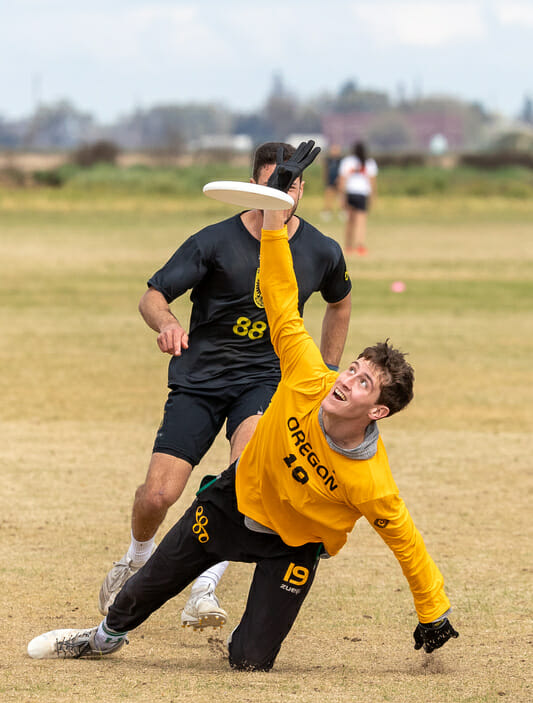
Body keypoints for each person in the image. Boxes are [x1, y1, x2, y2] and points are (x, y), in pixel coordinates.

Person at [28, 142, 458, 669]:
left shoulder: (370, 476)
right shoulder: (295, 359)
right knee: (150, 546)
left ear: (378, 412)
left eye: (364, 382)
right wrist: (271, 230)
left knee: (250, 662)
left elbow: (407, 543)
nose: (347, 379)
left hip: (290, 531)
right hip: (220, 448)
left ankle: (212, 596)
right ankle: (105, 630)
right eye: (353, 369)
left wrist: (433, 611)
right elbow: (277, 294)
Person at [97, 141, 352, 631]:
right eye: (277, 181)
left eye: (294, 184)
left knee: (244, 483)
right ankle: (135, 559)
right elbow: (152, 296)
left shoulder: (322, 250)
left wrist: (327, 368)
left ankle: (204, 590)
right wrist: (167, 324)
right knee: (158, 495)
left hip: (265, 380)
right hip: (200, 380)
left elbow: (339, 302)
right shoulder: (214, 241)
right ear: (254, 184)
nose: (287, 192)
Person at [338, 141, 378, 255]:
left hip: (350, 193)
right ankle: (360, 245)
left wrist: (341, 196)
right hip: (362, 194)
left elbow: (342, 180)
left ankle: (348, 246)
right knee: (361, 222)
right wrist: (373, 196)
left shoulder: (347, 162)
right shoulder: (369, 163)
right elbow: (372, 182)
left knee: (349, 221)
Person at [321, 143, 342, 220]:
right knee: (328, 196)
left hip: (339, 181)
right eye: (333, 150)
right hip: (330, 180)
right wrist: (325, 179)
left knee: (340, 197)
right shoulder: (328, 160)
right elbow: (325, 170)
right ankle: (327, 212)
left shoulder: (341, 160)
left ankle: (341, 212)